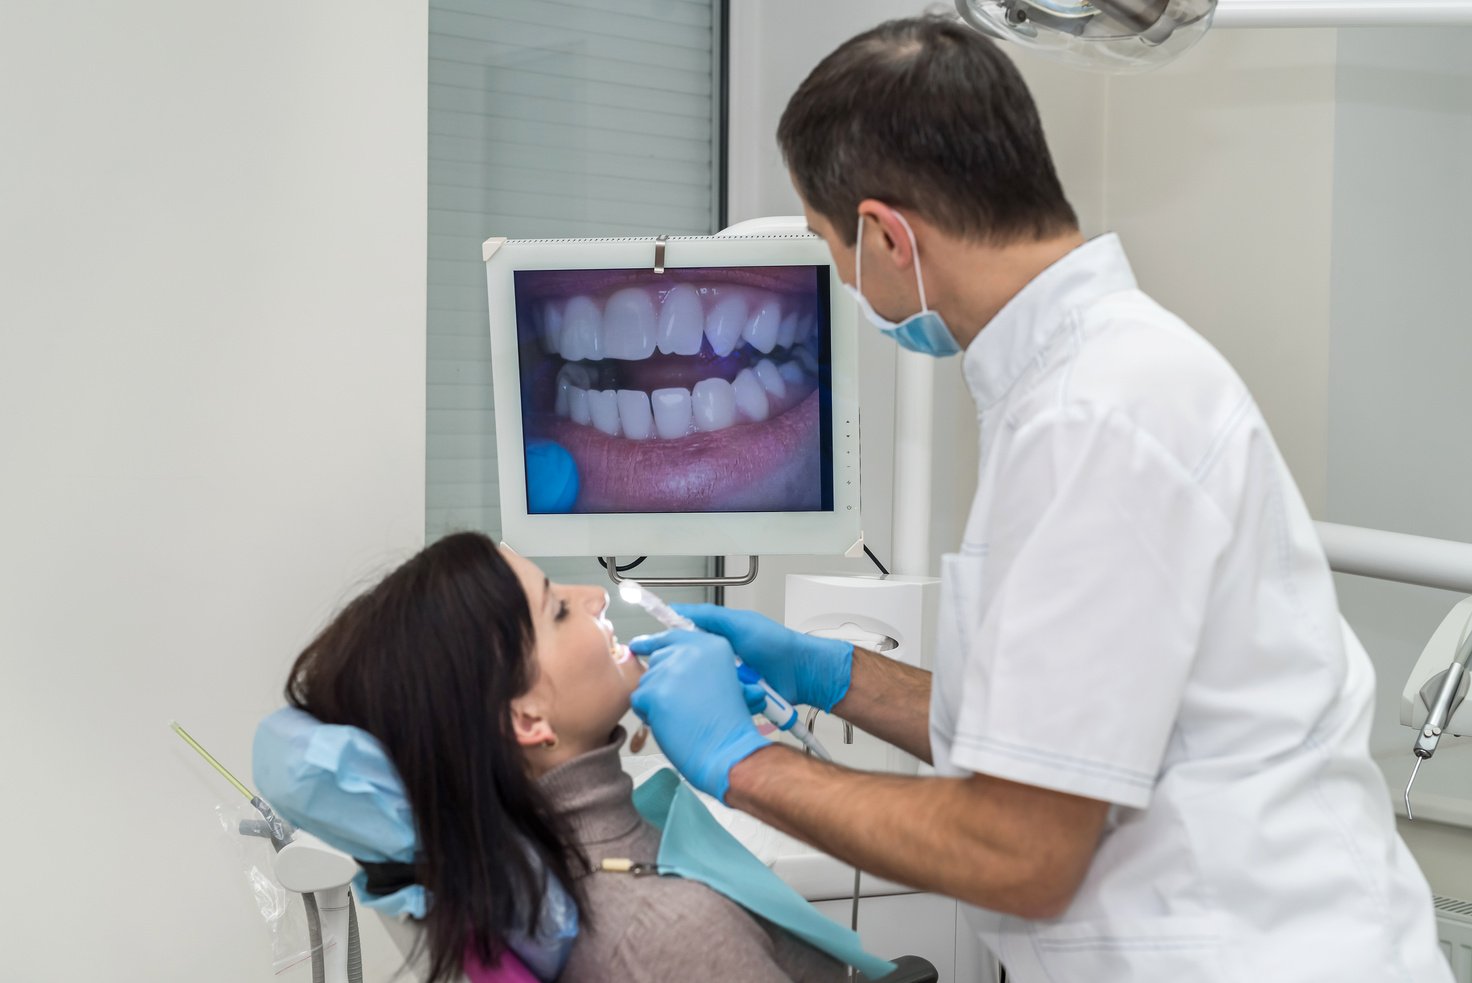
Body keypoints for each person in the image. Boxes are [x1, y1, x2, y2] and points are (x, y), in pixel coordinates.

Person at [629, 15, 1451, 982]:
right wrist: (826, 672)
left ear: (888, 235)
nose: (844, 280)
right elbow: (1050, 725)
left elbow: (1021, 850)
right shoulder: (1080, 385)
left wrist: (744, 762)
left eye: (831, 246)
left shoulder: (1095, 418)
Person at [280, 531, 844, 983]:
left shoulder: (542, 864)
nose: (596, 596)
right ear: (527, 720)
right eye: (557, 609)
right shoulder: (665, 936)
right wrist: (748, 763)